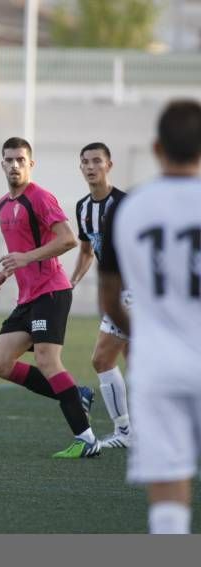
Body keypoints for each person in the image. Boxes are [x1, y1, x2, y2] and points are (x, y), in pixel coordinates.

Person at [99, 100, 201, 534]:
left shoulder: (129, 207)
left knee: (167, 502)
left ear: (157, 147)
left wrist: (142, 336)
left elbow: (108, 296)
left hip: (156, 365)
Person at [0, 137, 100, 459]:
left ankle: (87, 438)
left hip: (51, 291)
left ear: (31, 164)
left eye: (21, 160)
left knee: (47, 360)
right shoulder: (2, 204)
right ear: (2, 164)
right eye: (9, 160)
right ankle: (75, 393)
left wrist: (25, 258)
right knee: (0, 363)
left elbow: (67, 240)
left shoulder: (40, 198)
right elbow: (20, 251)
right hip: (27, 297)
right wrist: (8, 270)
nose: (14, 165)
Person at [69, 142, 131, 449]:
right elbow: (86, 250)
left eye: (96, 161)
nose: (90, 166)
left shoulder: (125, 204)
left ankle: (125, 432)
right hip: (116, 294)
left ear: (109, 165)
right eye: (85, 162)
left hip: (132, 292)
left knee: (102, 358)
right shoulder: (83, 208)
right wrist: (72, 282)